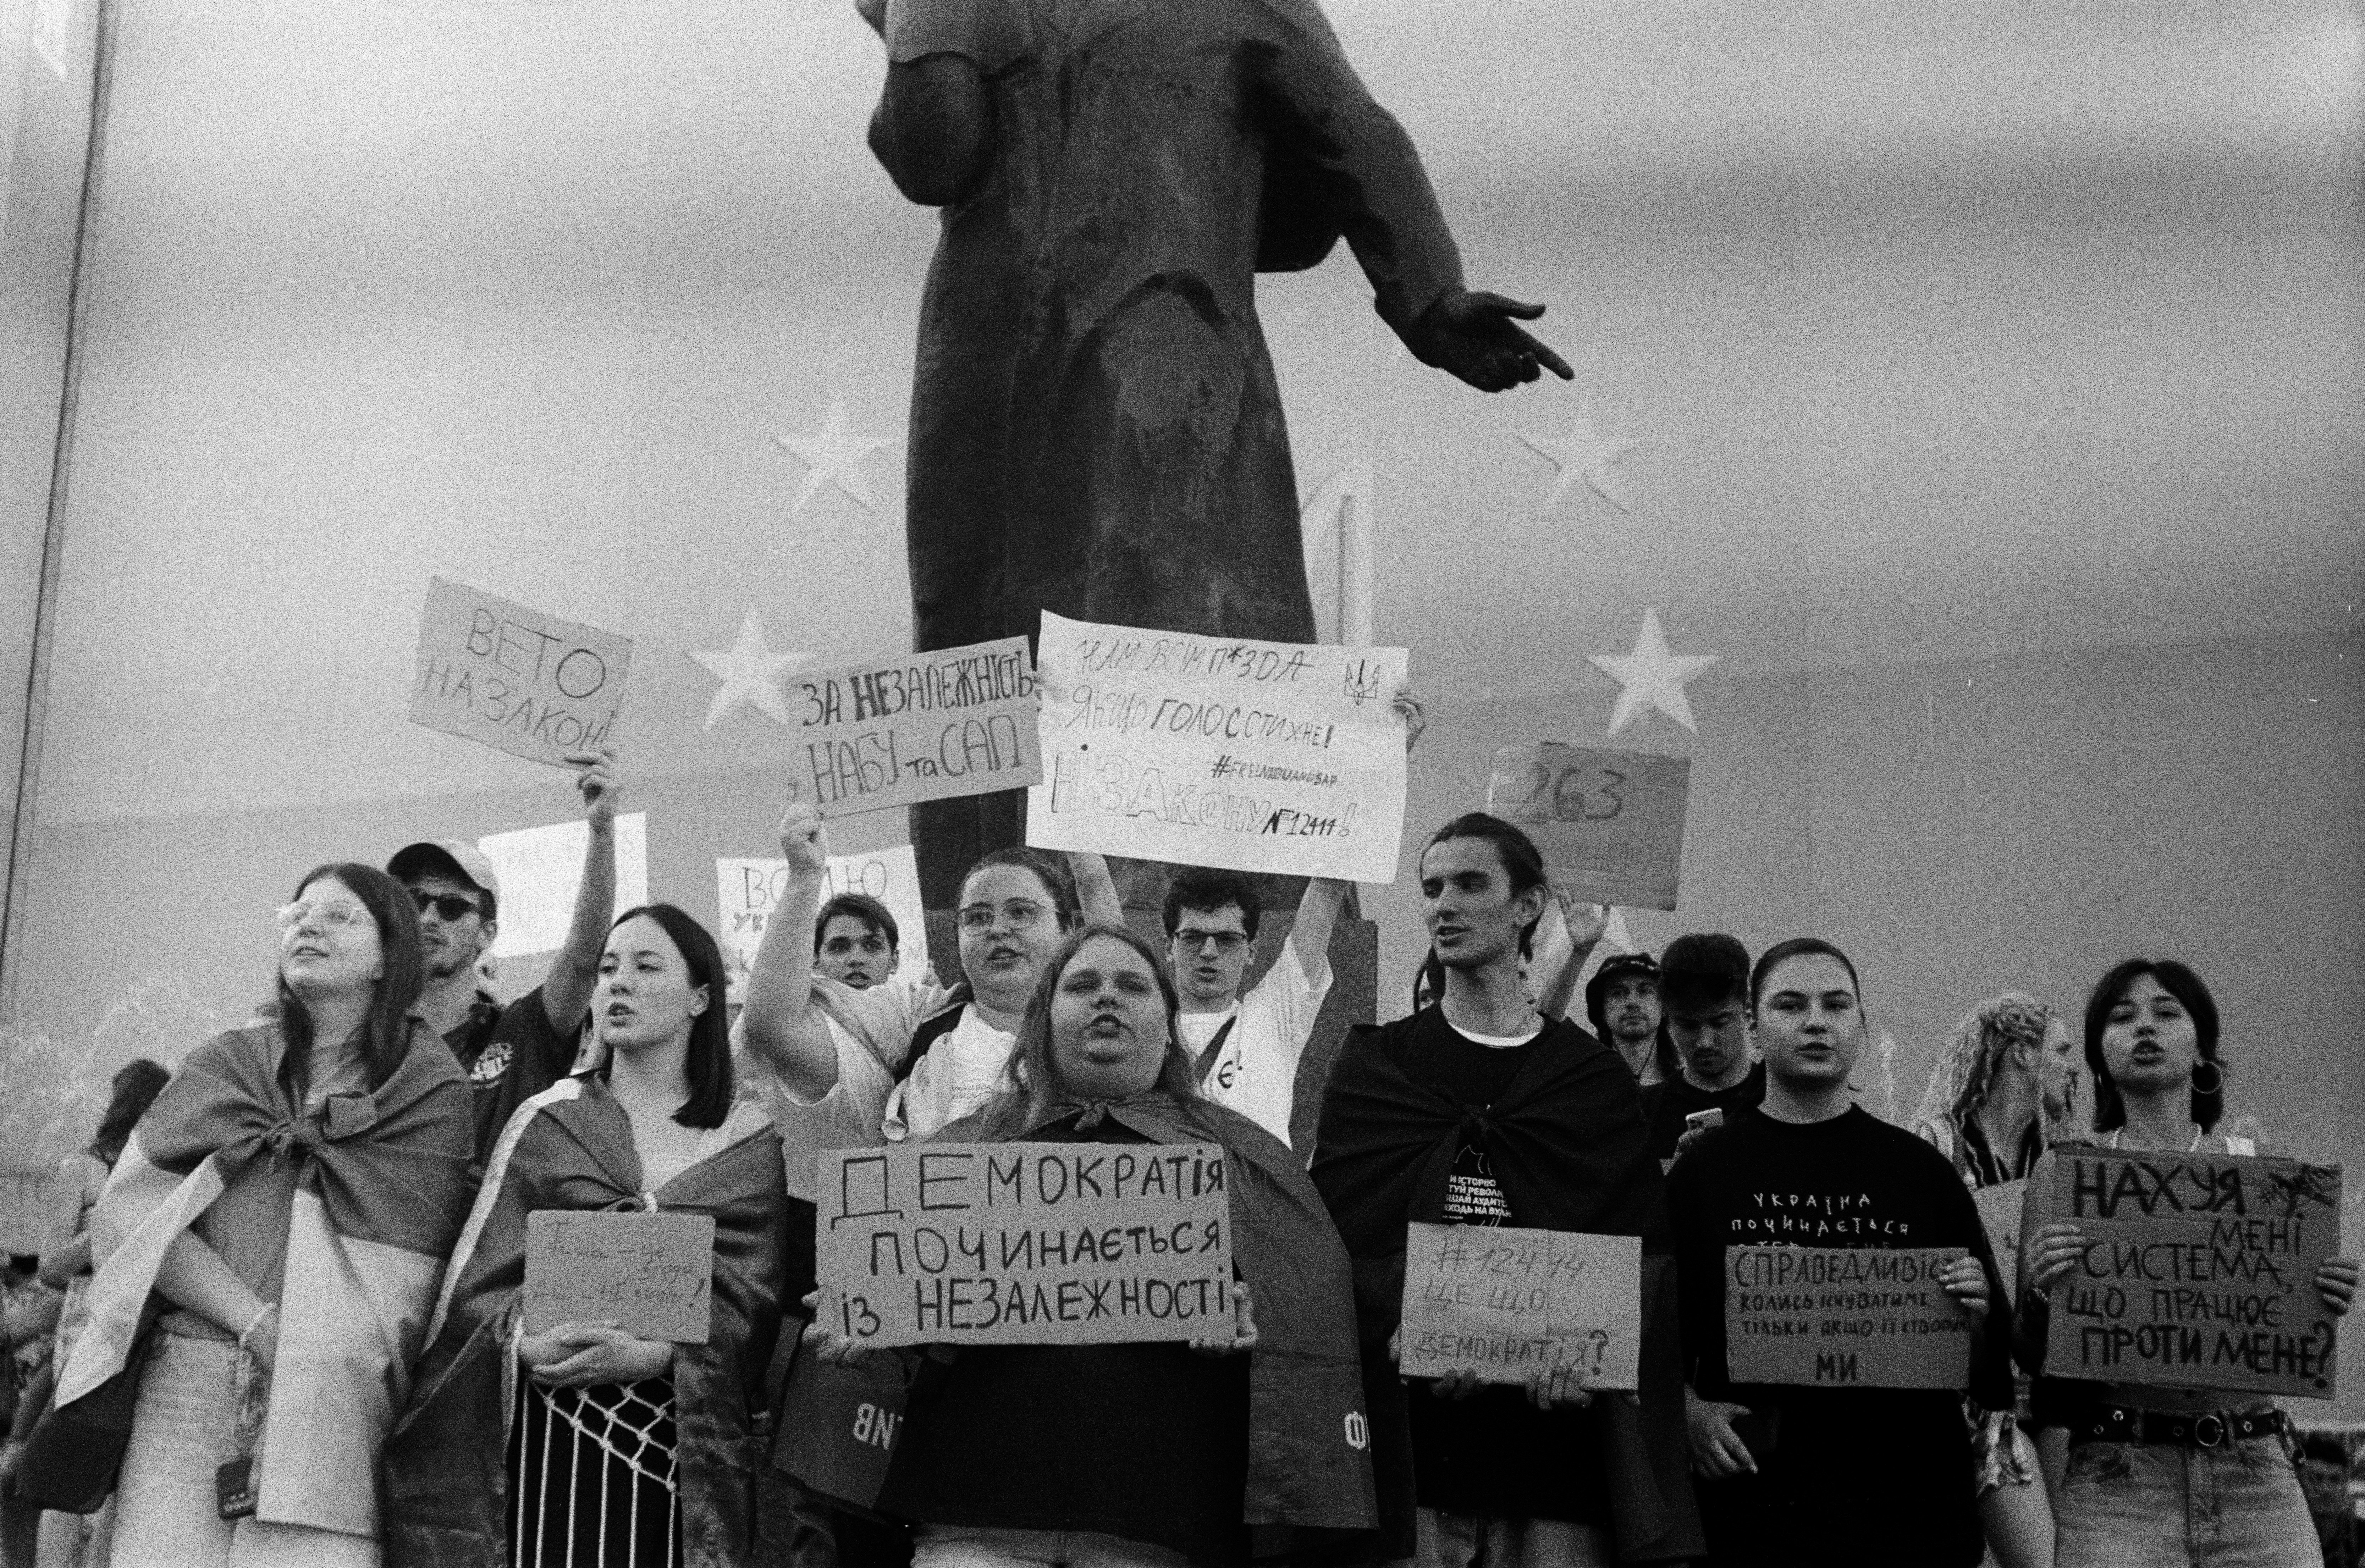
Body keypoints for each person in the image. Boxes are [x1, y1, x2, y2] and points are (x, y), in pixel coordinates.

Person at [856, 0, 1576, 903]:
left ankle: (1173, 901)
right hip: (1048, 349)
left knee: (1152, 612)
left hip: (1136, 338)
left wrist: (1433, 296)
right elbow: (935, 154)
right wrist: (1429, 297)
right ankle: (1001, 910)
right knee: (996, 634)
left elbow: (1347, 130)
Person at [790, 923, 1383, 1568]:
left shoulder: (1241, 1157)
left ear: (1168, 1023)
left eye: (1132, 985)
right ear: (1043, 1021)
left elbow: (1305, 1304)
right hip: (975, 1518)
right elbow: (904, 1344)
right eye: (1082, 986)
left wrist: (1252, 1325)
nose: (1107, 999)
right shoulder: (956, 1155)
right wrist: (869, 1327)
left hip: (1156, 1523)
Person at [48, 864, 475, 1568]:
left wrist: (305, 1348)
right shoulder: (227, 1062)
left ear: (389, 954)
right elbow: (138, 1215)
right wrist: (254, 1320)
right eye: (297, 913)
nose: (307, 924)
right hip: (190, 1377)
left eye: (339, 916)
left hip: (336, 1397)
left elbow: (419, 1270)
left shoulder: (429, 1087)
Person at [1311, 813, 1701, 1567]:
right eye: (1431, 888)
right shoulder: (1376, 1067)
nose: (1443, 905)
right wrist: (1397, 1325)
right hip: (1412, 1453)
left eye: (1469, 883)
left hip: (1554, 1459)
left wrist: (1592, 1355)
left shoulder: (1589, 1081)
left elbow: (1637, 1254)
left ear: (1528, 906)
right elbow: (1336, 1241)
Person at [384, 903, 788, 1568]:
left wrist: (660, 1357)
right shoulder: (546, 1122)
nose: (616, 983)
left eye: (644, 966)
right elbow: (470, 1296)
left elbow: (755, 1312)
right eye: (607, 969)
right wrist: (522, 1340)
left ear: (700, 998)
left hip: (676, 1468)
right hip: (548, 1451)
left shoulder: (748, 1146)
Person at [1667, 938, 2011, 1568]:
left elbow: (1989, 1371)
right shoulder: (1702, 1175)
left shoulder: (1919, 1172)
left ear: (1861, 1023)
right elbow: (1657, 1333)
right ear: (1752, 1025)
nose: (1816, 1022)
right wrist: (1689, 1414)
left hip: (1910, 1514)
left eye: (1836, 1005)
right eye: (1791, 1006)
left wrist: (1976, 1309)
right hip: (1757, 1515)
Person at [2016, 959, 2359, 1568]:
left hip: (2254, 1468)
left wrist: (2321, 1293)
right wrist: (2045, 1293)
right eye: (2122, 1018)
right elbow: (2031, 1357)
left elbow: (2281, 1322)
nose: (2144, 1028)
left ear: (2203, 1048)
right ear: (2098, 1055)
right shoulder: (2065, 1173)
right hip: (2119, 1476)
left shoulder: (2261, 1172)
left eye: (2166, 1013)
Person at [1157, 687, 1426, 1146]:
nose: (1207, 951)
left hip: (1260, 1209)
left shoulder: (1275, 1012)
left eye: (1226, 939)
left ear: (1251, 952)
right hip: (1172, 1211)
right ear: (1167, 948)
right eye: (1192, 937)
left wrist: (1388, 760)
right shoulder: (1143, 1026)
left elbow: (1328, 885)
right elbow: (1094, 888)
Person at [389, 745, 619, 1164]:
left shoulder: (519, 1033)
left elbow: (585, 957)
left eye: (452, 906)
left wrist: (602, 832)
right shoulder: (366, 1038)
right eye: (414, 901)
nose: (428, 917)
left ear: (487, 934)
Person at [1907, 994, 2060, 1568]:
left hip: (2054, 1394)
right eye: (2062, 1050)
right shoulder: (1935, 1146)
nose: (2072, 1066)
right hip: (1977, 1400)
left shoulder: (2059, 1159)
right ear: (2022, 1053)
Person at [16, 1060, 171, 1568]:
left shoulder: (163, 1171)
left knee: (126, 1470)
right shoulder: (81, 1169)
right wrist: (110, 1227)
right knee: (70, 1466)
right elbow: (51, 1268)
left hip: (146, 1335)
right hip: (88, 1332)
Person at [1640, 933, 1765, 1163]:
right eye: (1688, 1026)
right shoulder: (1642, 1112)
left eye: (1719, 1023)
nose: (1705, 1042)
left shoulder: (1787, 1102)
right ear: (1668, 1021)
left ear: (1748, 1010)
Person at [1582, 952, 1680, 1087]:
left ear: (1664, 1007)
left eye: (1645, 991)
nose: (1632, 1002)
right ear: (1602, 1011)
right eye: (1618, 993)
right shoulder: (1583, 1086)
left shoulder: (1691, 1085)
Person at [814, 893, 907, 991]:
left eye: (872, 946)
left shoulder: (915, 1003)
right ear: (815, 962)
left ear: (894, 962)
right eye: (839, 948)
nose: (856, 959)